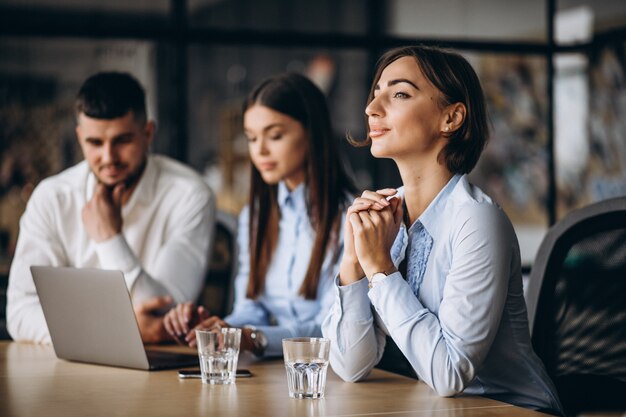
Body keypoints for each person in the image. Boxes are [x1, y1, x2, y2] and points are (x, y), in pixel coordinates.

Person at [321, 45, 563, 414]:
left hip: (512, 409)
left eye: (399, 93)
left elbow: (450, 374)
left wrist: (381, 268)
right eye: (375, 94)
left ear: (451, 118)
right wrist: (354, 263)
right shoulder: (383, 215)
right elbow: (351, 366)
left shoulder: (477, 220)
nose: (372, 108)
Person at [6, 72, 215, 344]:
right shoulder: (52, 197)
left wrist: (109, 239)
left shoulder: (190, 195)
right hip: (68, 366)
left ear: (148, 133)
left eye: (122, 141)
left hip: (160, 371)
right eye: (95, 143)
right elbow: (20, 312)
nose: (108, 158)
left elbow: (168, 314)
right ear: (80, 138)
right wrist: (112, 333)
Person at [163, 72, 355, 357]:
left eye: (275, 135)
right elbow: (250, 308)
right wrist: (218, 329)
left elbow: (332, 328)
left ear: (311, 133)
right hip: (271, 373)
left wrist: (255, 338)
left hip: (322, 375)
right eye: (252, 138)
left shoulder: (350, 217)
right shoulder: (254, 215)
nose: (260, 150)